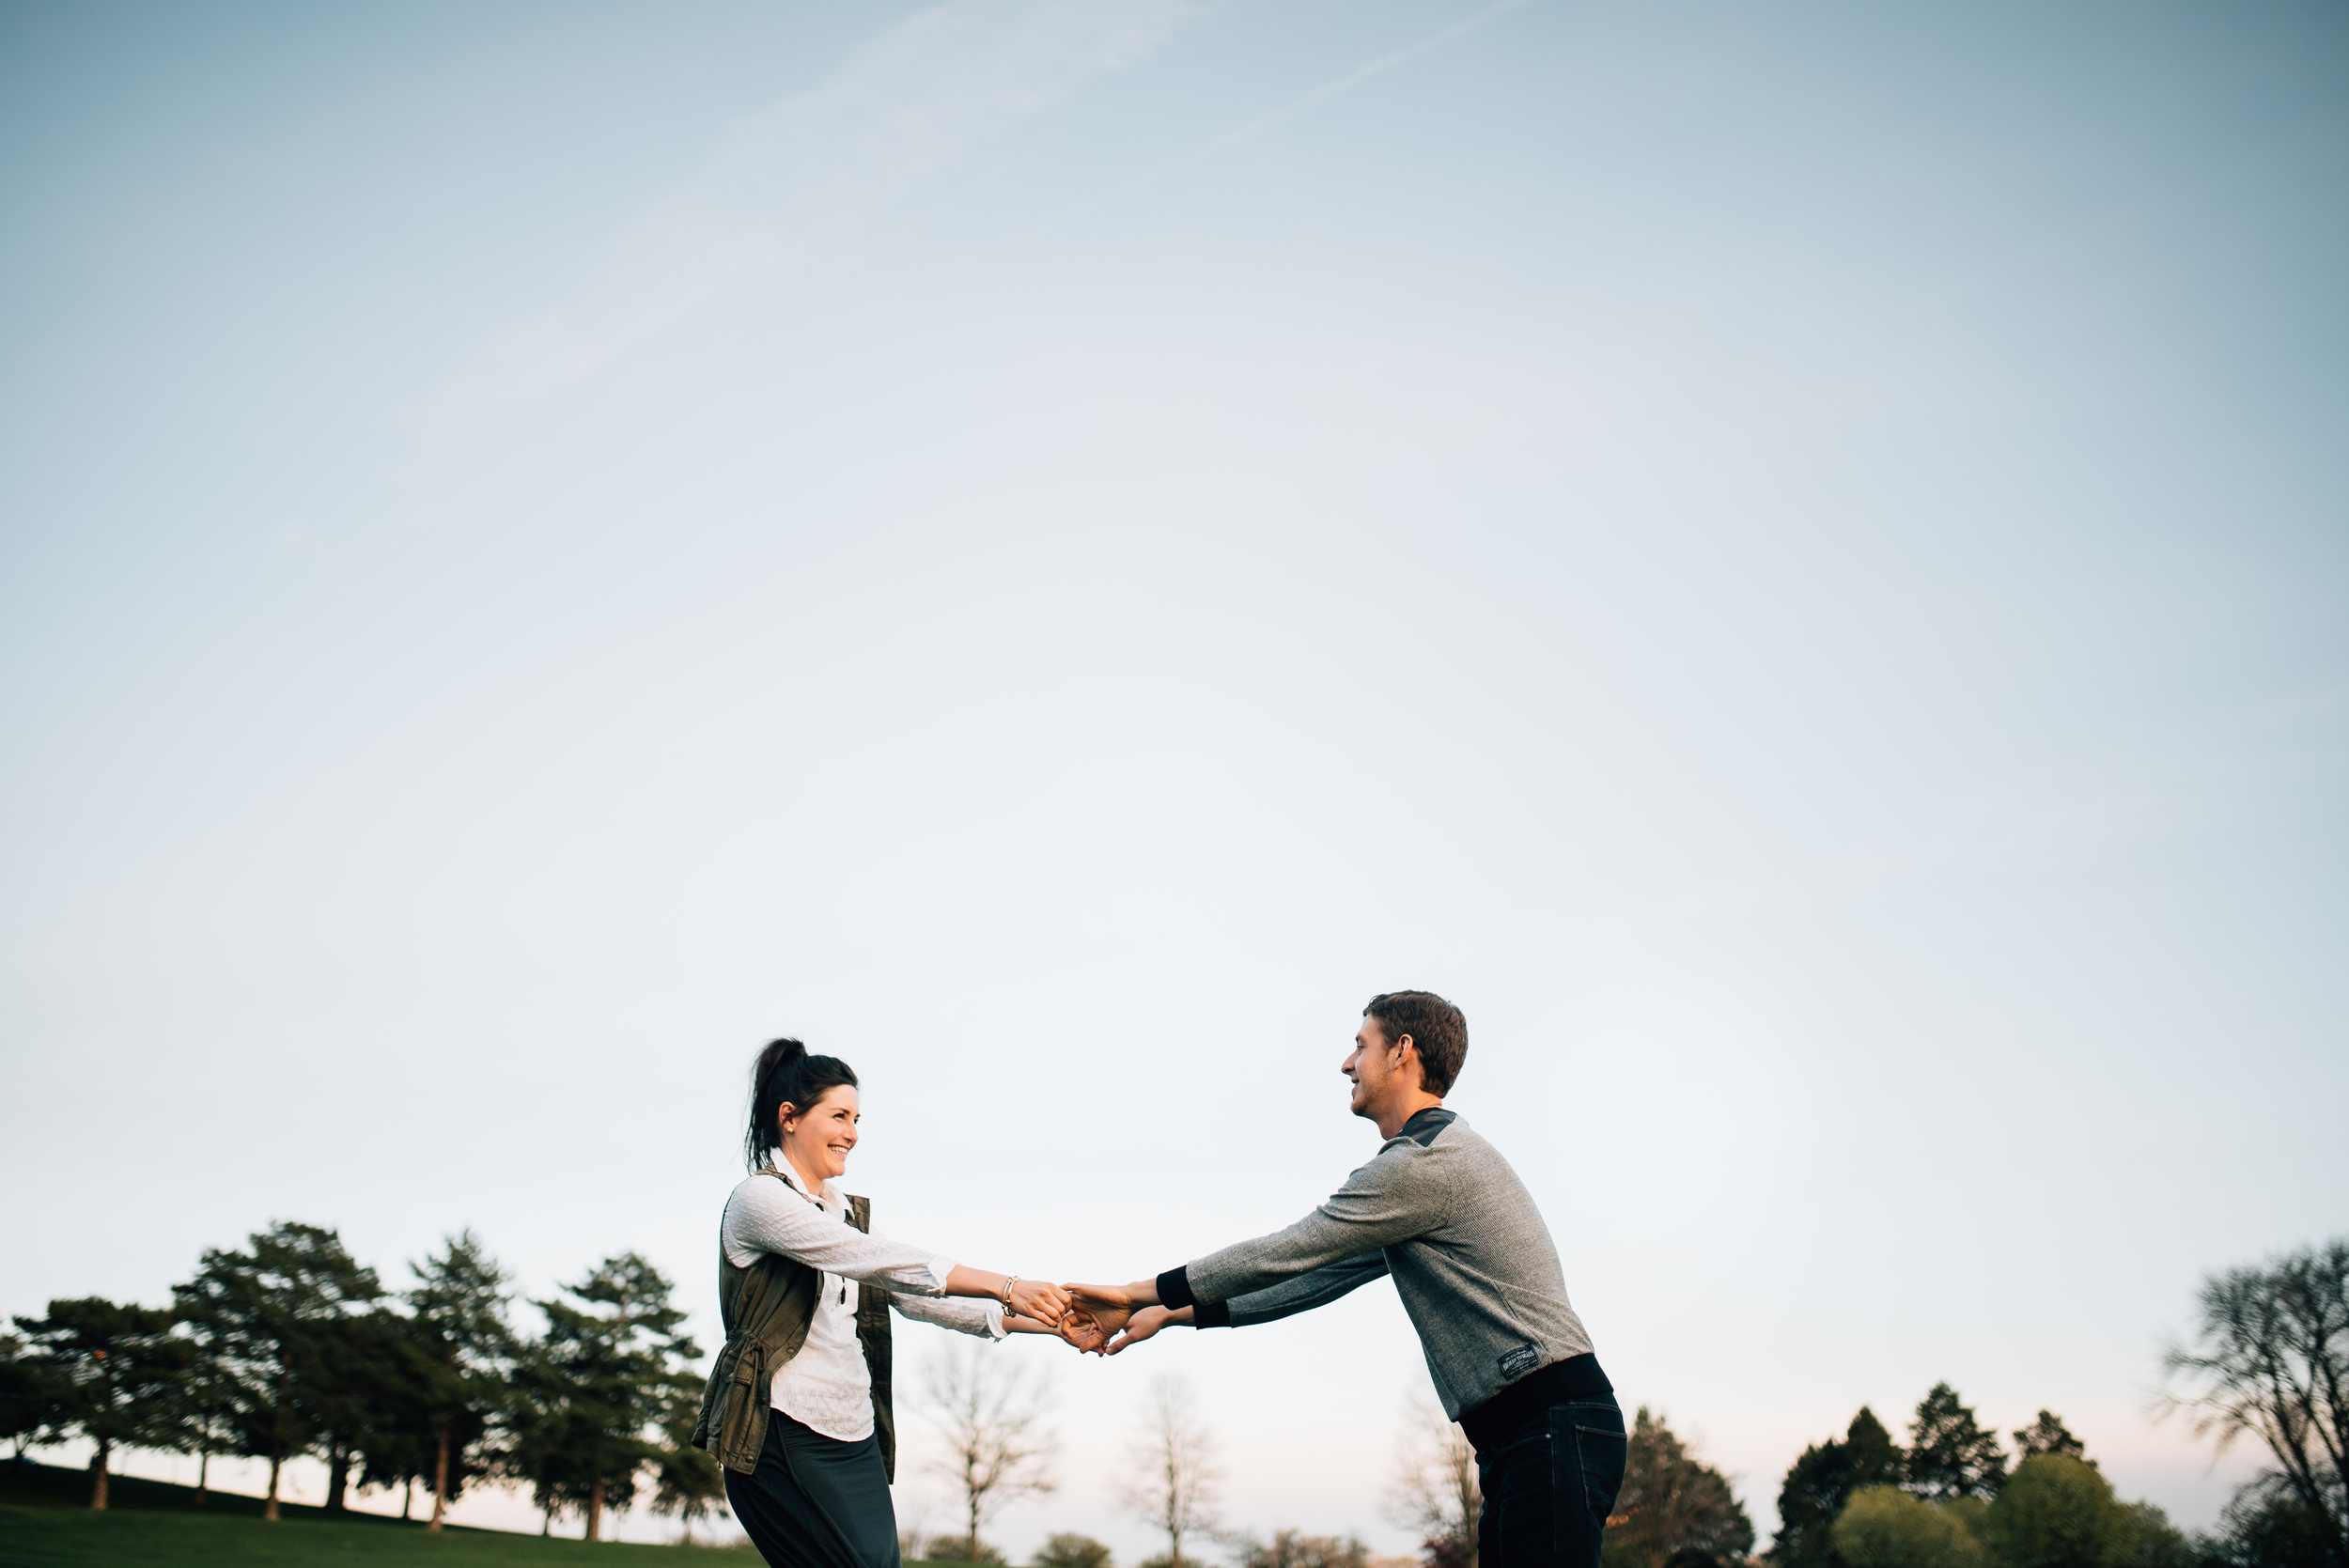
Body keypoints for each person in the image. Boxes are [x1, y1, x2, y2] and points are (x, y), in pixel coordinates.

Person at [1066, 991, 1624, 1568]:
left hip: (1554, 1425)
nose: (1346, 1064)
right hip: (1525, 1436)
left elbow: (1291, 1248)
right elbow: (1313, 1276)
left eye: (1361, 1045)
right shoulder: (1420, 1169)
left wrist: (1137, 1291)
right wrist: (1170, 1312)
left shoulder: (1424, 1162)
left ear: (1401, 1051)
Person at [693, 1038, 1085, 1568]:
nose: (852, 1133)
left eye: (856, 1118)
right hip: (780, 1428)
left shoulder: (844, 1213)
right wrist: (1007, 1283)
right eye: (839, 1116)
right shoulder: (758, 1201)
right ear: (789, 1117)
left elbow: (917, 1297)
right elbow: (875, 1259)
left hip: (854, 1431)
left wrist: (1055, 1321)